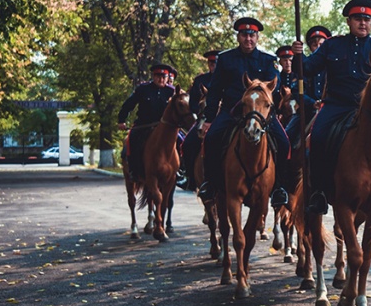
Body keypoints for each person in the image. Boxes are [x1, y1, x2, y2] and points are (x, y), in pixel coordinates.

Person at [291, 0, 371, 215]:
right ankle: (320, 191)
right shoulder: (332, 45)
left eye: (367, 19)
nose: (363, 23)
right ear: (349, 21)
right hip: (337, 106)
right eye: (358, 19)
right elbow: (307, 68)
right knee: (318, 137)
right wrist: (297, 56)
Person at [198, 17, 291, 209]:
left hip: (260, 114)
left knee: (283, 142)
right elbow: (215, 91)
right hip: (232, 112)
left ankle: (279, 187)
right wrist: (208, 119)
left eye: (252, 35)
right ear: (238, 37)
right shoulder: (225, 59)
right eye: (244, 35)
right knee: (211, 139)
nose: (248, 39)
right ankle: (211, 183)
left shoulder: (268, 60)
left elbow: (276, 86)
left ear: (257, 37)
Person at [118, 63, 177, 180]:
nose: (161, 79)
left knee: (181, 142)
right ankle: (134, 170)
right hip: (144, 125)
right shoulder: (143, 89)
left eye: (163, 77)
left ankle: (179, 170)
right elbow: (129, 104)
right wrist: (121, 120)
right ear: (153, 76)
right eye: (158, 76)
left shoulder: (172, 92)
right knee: (131, 141)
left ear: (167, 77)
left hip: (165, 128)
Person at [180, 51, 219, 190]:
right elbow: (192, 103)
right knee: (187, 144)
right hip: (203, 118)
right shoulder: (200, 80)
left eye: (216, 63)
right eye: (211, 63)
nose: (213, 65)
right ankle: (190, 178)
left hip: (222, 117)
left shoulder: (228, 78)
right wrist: (201, 111)